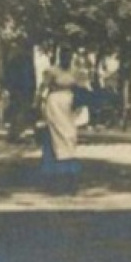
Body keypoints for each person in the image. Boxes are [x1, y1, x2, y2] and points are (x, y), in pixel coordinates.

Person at [38, 53, 83, 192]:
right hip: (55, 103)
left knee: (70, 134)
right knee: (56, 135)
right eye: (63, 54)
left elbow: (80, 88)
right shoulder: (52, 71)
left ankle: (68, 164)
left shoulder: (75, 71)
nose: (66, 58)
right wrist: (38, 104)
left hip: (69, 102)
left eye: (68, 55)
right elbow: (42, 88)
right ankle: (56, 171)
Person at [2, 39, 38, 144]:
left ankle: (15, 134)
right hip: (19, 90)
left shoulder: (26, 60)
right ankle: (15, 135)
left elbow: (32, 76)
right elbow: (9, 76)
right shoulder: (16, 60)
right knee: (18, 112)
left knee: (20, 112)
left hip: (24, 90)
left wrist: (33, 89)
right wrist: (10, 88)